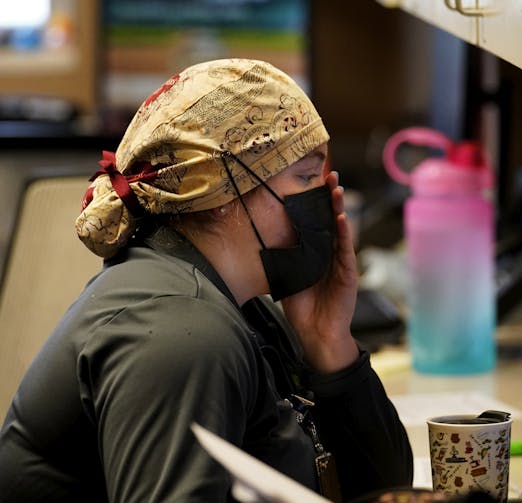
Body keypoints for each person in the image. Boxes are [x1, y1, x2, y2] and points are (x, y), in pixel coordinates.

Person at [0, 59, 413, 502]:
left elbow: (386, 492)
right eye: (306, 176)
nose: (328, 195)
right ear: (219, 193)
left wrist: (328, 342)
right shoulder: (178, 329)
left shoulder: (245, 306)